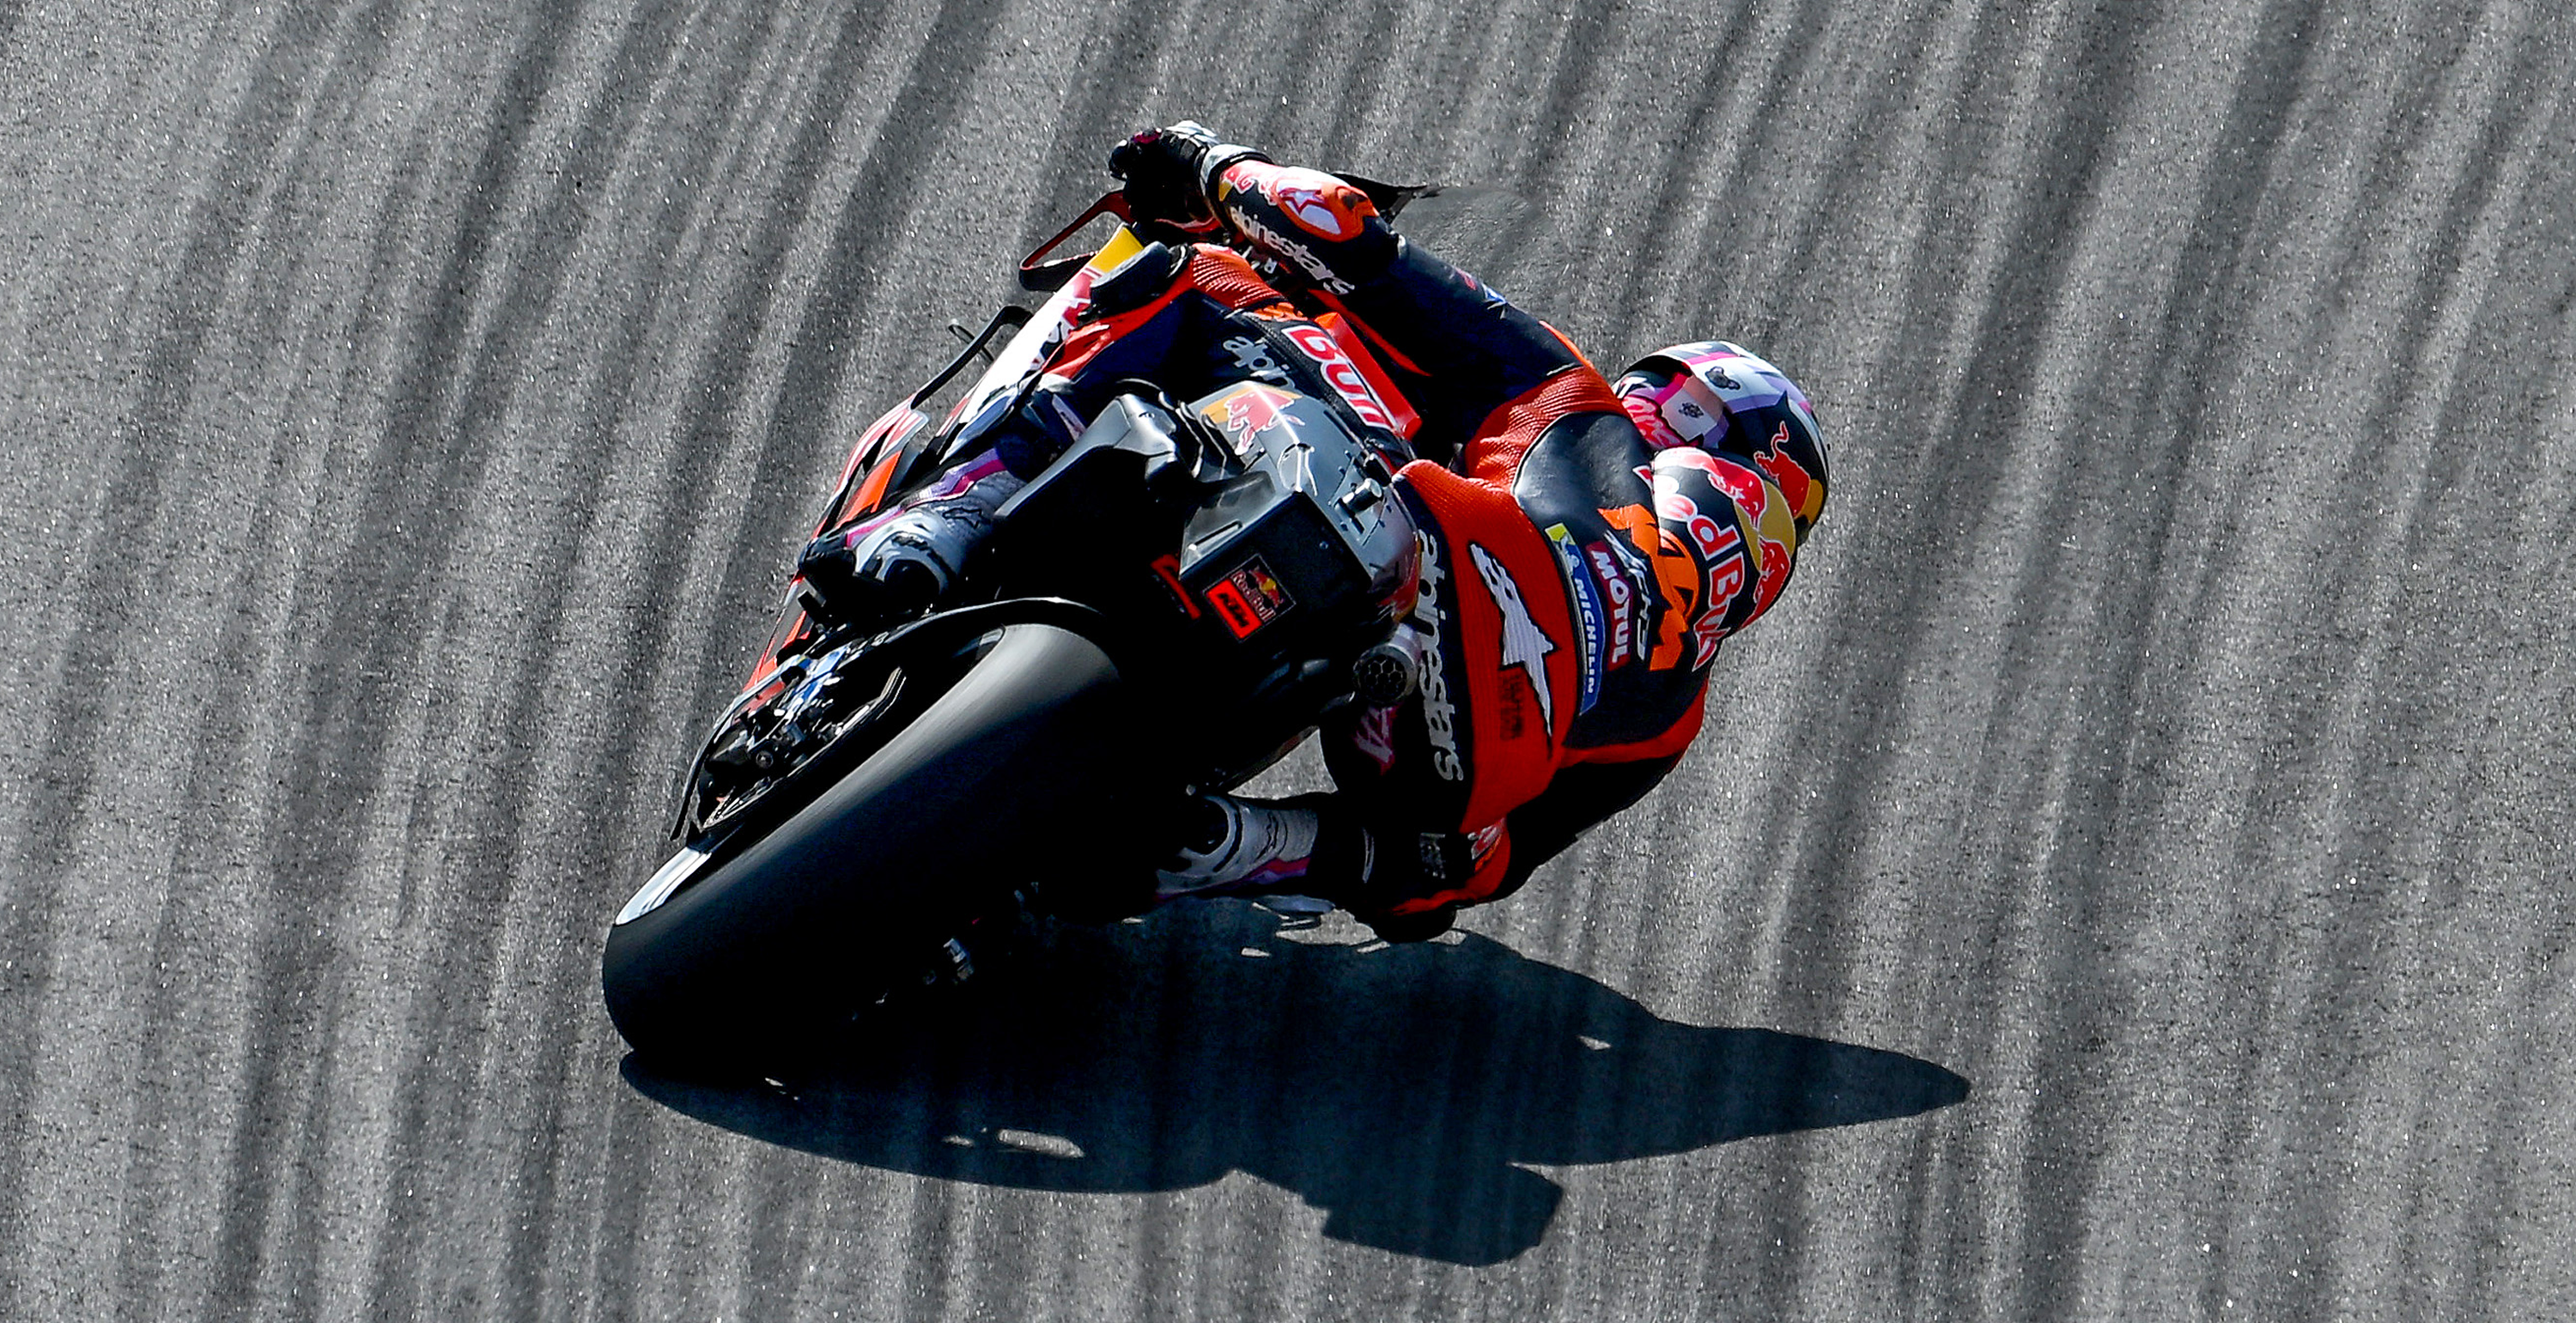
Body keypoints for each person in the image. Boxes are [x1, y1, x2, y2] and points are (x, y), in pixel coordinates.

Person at [799, 123, 1829, 941]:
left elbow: (1342, 231)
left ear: (1673, 403)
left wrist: (1207, 166)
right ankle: (1228, 841)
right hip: (1451, 747)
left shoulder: (1569, 402)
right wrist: (1277, 842)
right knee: (1440, 854)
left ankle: (956, 507)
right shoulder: (1671, 716)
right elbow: (1461, 878)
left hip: (1424, 546)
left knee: (1190, 278)